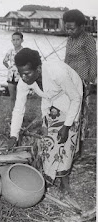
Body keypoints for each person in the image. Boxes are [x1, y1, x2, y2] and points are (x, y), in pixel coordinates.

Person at [7, 48, 83, 195]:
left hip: (72, 96)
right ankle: (49, 175)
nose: (23, 77)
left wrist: (67, 126)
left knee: (67, 140)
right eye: (20, 73)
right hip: (52, 100)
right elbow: (18, 109)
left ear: (38, 68)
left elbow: (75, 98)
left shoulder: (57, 72)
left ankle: (64, 180)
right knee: (49, 139)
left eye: (27, 73)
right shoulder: (24, 81)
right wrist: (13, 135)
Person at [63, 9, 97, 154]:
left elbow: (94, 62)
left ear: (81, 26)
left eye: (72, 28)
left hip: (83, 82)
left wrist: (90, 82)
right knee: (68, 113)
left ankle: (78, 150)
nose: (69, 30)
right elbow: (66, 60)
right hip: (69, 81)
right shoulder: (70, 39)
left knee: (81, 115)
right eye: (67, 27)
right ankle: (68, 144)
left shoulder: (88, 39)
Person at [3, 32, 24, 112]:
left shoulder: (24, 52)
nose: (15, 42)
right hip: (11, 77)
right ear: (11, 41)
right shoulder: (10, 51)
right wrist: (9, 68)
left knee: (20, 98)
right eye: (13, 40)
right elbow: (4, 61)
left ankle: (21, 114)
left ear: (22, 40)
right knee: (12, 97)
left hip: (21, 78)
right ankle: (13, 114)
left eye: (18, 40)